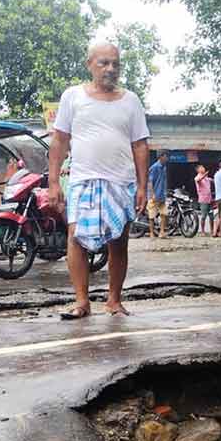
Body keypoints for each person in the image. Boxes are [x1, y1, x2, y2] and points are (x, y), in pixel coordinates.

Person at [48, 40, 150, 318]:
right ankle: (82, 302)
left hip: (121, 182)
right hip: (83, 179)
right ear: (89, 65)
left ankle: (114, 301)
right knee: (76, 238)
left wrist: (143, 187)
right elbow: (59, 140)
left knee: (119, 240)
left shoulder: (131, 101)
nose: (111, 69)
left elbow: (140, 145)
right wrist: (54, 182)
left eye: (116, 63)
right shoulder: (72, 96)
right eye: (104, 63)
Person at [147, 150, 169, 239]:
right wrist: (153, 194)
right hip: (155, 195)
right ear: (161, 157)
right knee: (152, 215)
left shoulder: (164, 167)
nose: (167, 158)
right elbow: (150, 182)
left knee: (164, 214)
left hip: (162, 195)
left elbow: (164, 181)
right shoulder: (155, 167)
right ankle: (151, 233)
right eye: (166, 156)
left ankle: (162, 232)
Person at [194, 164, 214, 235]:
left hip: (210, 199)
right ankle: (202, 231)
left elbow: (212, 180)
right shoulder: (197, 177)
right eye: (201, 167)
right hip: (203, 200)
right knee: (203, 216)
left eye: (203, 167)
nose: (203, 168)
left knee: (211, 216)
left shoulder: (207, 178)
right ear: (198, 170)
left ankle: (212, 231)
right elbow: (198, 180)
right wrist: (204, 175)